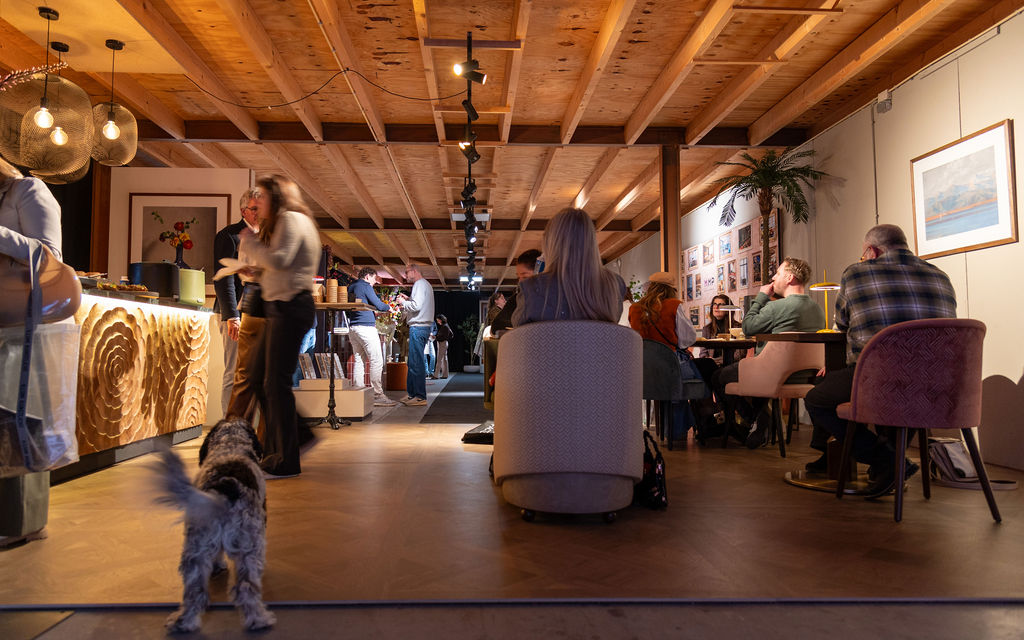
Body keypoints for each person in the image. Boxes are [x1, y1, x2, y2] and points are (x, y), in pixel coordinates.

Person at [804, 224, 956, 497]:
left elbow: (842, 324)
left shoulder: (856, 273)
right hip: (933, 383)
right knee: (901, 395)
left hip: (879, 377)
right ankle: (889, 467)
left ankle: (887, 461)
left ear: (872, 251)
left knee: (817, 399)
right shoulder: (940, 275)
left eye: (863, 254)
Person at [238, 174, 320, 478]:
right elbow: (285, 264)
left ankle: (286, 459)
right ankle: (294, 439)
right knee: (261, 378)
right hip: (284, 307)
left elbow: (282, 259)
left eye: (260, 196)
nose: (256, 202)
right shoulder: (296, 220)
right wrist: (259, 270)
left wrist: (251, 243)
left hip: (288, 308)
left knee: (274, 383)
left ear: (275, 197)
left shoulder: (290, 219)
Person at [0, 157, 62, 548]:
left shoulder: (28, 190)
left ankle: (22, 521)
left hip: (17, 320)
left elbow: (50, 255)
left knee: (17, 416)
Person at [711, 257, 824, 448]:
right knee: (751, 372)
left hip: (772, 375)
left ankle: (755, 419)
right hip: (806, 376)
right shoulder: (817, 309)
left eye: (778, 273)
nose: (773, 277)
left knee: (717, 377)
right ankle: (759, 420)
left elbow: (748, 327)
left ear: (789, 277)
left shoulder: (776, 307)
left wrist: (761, 297)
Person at [512, 208, 626, 325]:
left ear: (550, 243)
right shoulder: (616, 285)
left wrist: (537, 277)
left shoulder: (532, 288)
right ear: (591, 241)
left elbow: (519, 330)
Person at [628, 272, 700, 441]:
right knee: (699, 373)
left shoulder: (634, 309)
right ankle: (697, 423)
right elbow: (688, 338)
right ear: (671, 290)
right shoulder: (674, 305)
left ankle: (676, 427)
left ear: (650, 287)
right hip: (669, 369)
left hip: (645, 371)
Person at [214, 188, 261, 414]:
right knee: (235, 372)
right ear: (244, 211)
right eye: (255, 209)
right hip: (237, 313)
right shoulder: (229, 235)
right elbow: (224, 278)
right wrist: (232, 316)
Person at [346, 267, 398, 407]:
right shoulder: (365, 286)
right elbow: (379, 304)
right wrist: (389, 308)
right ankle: (377, 395)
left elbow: (351, 309)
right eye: (374, 279)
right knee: (376, 360)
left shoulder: (351, 287)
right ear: (368, 276)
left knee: (359, 360)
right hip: (366, 328)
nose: (375, 282)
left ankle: (358, 392)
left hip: (353, 327)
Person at [397, 264, 434, 406]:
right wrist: (408, 300)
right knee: (413, 362)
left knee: (416, 362)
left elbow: (416, 306)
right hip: (421, 327)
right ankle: (412, 394)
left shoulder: (419, 284)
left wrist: (403, 302)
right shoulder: (425, 284)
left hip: (418, 327)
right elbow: (419, 304)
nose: (405, 275)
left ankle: (419, 396)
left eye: (407, 272)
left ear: (414, 271)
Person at [490, 249, 541, 334]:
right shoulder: (517, 299)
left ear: (540, 274)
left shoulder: (555, 298)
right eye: (518, 277)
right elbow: (496, 327)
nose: (520, 282)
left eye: (525, 277)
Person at [433, 314, 452, 379]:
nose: (437, 321)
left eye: (438, 320)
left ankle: (436, 375)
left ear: (441, 320)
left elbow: (445, 336)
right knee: (444, 359)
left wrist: (436, 337)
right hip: (444, 343)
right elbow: (450, 335)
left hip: (442, 343)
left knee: (439, 359)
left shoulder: (445, 326)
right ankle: (445, 374)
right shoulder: (445, 326)